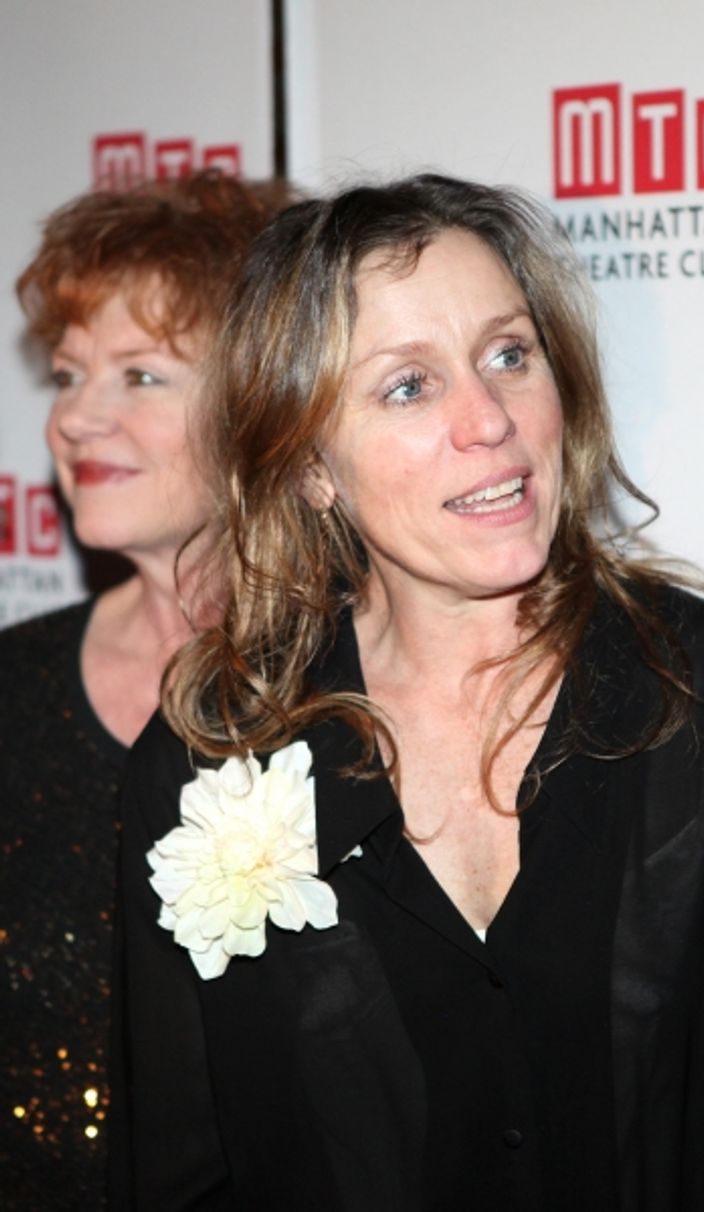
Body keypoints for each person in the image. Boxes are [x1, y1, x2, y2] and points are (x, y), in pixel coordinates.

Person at [111, 173, 704, 1210]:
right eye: (408, 387)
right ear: (311, 466)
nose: (489, 421)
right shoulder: (209, 766)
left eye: (510, 355)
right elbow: (179, 1176)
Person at [1, 170, 292, 1208]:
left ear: (264, 400)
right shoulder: (12, 690)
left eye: (140, 375)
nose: (75, 419)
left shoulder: (359, 693)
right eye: (69, 375)